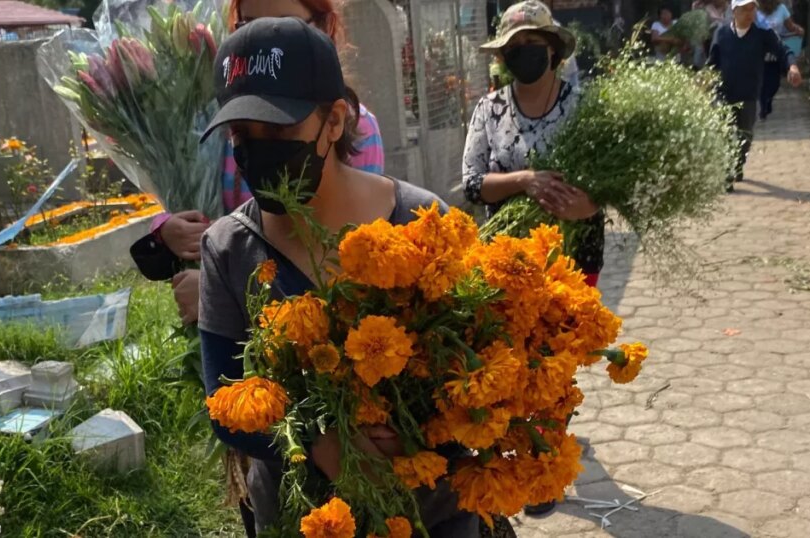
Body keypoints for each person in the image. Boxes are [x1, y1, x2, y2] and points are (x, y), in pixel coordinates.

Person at [196, 17, 480, 537]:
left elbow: (479, 361)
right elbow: (224, 400)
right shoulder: (227, 249)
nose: (259, 150)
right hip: (296, 519)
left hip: (432, 516)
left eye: (280, 130)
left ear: (335, 120)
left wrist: (421, 428)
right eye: (243, 134)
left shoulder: (425, 226)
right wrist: (328, 445)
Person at [131, 0, 386, 325]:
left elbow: (347, 256)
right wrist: (167, 230)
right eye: (249, 24)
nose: (267, 38)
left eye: (284, 23)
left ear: (323, 27)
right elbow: (204, 209)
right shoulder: (227, 127)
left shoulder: (356, 128)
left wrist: (220, 292)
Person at [463, 0, 603, 514]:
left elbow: (611, 181)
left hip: (575, 251)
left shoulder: (583, 104)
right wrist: (524, 179)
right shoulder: (490, 109)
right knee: (515, 355)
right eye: (514, 49)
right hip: (509, 258)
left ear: (554, 53)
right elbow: (473, 183)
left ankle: (545, 469)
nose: (523, 56)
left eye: (533, 48)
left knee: (556, 357)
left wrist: (591, 201)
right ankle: (518, 453)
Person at [708, 0, 802, 191]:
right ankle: (727, 172)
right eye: (745, 9)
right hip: (723, 92)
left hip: (749, 93)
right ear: (734, 11)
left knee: (745, 134)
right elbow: (712, 62)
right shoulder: (721, 33)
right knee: (725, 130)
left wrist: (792, 66)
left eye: (753, 9)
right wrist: (704, 80)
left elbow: (783, 50)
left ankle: (737, 164)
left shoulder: (762, 34)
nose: (750, 13)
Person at [758, 0, 804, 119]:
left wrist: (797, 30)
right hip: (759, 53)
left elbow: (790, 26)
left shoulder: (781, 9)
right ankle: (763, 107)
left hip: (776, 51)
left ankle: (768, 100)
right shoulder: (754, 9)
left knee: (774, 84)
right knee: (761, 83)